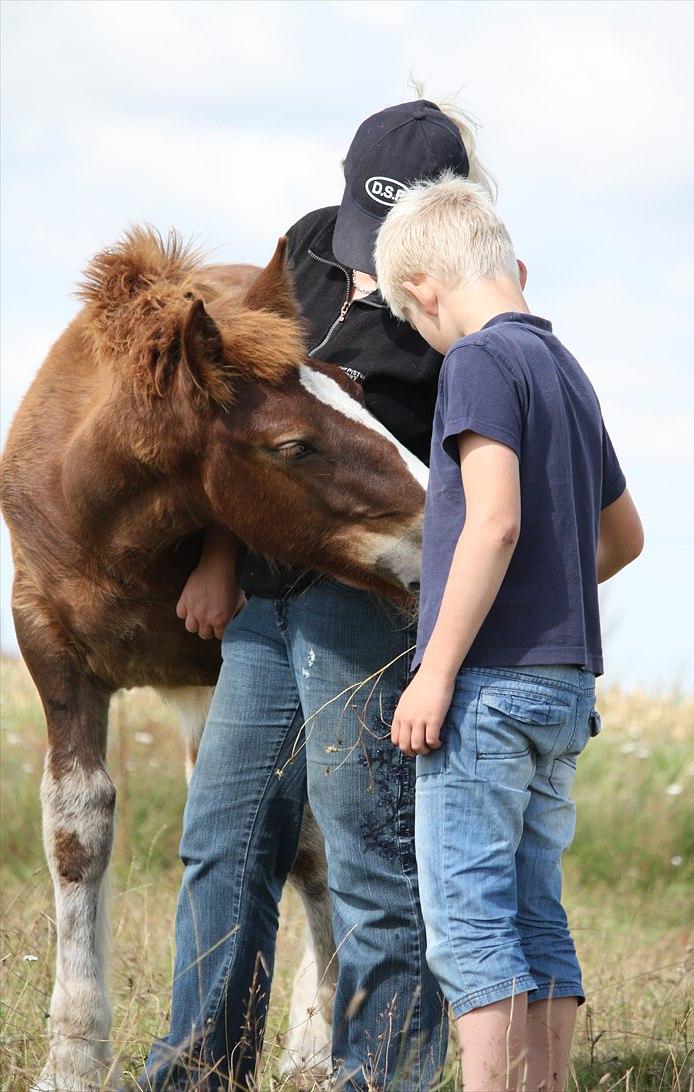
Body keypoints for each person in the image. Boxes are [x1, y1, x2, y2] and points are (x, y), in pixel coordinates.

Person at [142, 100, 494, 1091]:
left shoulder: (459, 306)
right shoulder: (303, 247)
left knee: (369, 859)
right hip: (260, 594)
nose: (365, 257)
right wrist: (217, 559)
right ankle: (195, 1073)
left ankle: (381, 1078)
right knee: (222, 842)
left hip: (363, 608)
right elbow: (250, 416)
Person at [374, 173, 644, 1092]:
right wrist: (540, 592)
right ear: (513, 268)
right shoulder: (569, 372)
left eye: (417, 326)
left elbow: (492, 523)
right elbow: (623, 539)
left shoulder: (477, 364)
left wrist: (436, 671)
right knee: (536, 910)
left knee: (471, 920)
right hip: (567, 686)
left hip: (487, 688)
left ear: (423, 294)